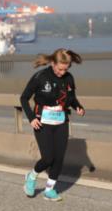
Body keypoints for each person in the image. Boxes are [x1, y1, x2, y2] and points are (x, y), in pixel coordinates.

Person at [20, 48, 85, 202]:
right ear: (53, 63)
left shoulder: (69, 78)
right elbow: (24, 98)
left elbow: (72, 98)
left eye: (66, 69)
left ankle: (49, 190)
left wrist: (78, 107)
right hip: (42, 123)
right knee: (48, 158)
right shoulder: (40, 77)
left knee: (59, 159)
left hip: (61, 121)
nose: (62, 72)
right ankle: (31, 176)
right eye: (60, 69)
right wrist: (31, 118)